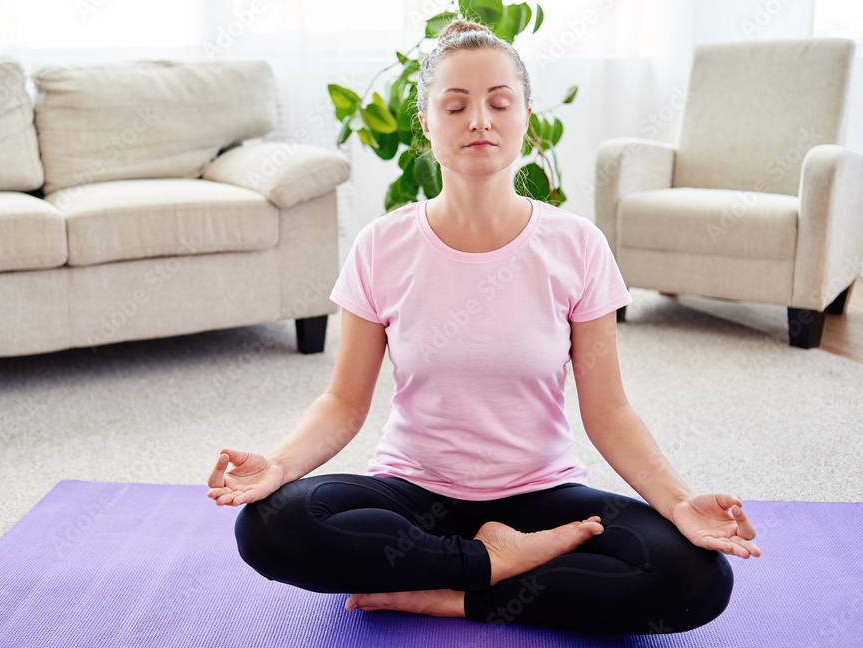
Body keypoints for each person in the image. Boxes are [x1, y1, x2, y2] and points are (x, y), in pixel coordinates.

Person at [206, 17, 761, 634]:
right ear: (426, 123)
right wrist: (279, 466)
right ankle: (488, 565)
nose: (479, 121)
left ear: (526, 116)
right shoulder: (381, 246)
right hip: (413, 495)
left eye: (500, 102)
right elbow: (342, 402)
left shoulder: (577, 246)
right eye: (456, 105)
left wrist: (680, 503)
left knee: (695, 576)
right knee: (269, 525)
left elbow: (609, 413)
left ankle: (463, 589)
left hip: (539, 499)